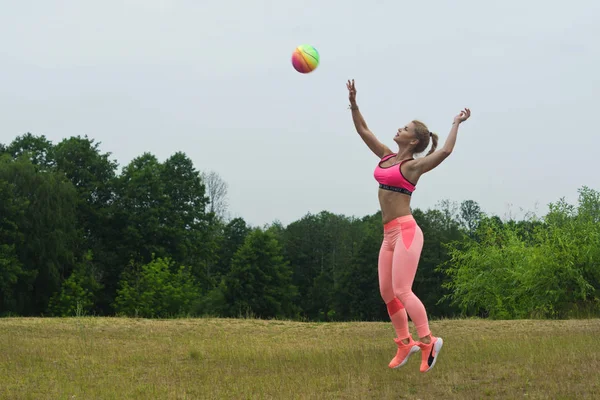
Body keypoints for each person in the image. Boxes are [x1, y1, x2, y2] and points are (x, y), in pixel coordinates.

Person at [346, 79, 471, 373]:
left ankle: (428, 340)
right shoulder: (387, 157)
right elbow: (364, 131)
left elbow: (444, 153)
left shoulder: (412, 166)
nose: (399, 129)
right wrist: (354, 103)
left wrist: (456, 123)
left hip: (406, 231)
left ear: (413, 141)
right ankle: (406, 343)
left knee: (403, 290)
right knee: (387, 292)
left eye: (405, 128)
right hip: (388, 234)